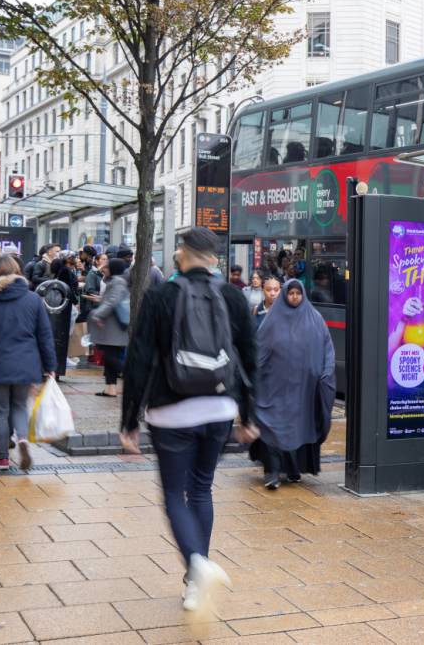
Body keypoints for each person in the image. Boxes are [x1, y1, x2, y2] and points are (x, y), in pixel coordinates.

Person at [120, 227, 258, 616]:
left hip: (170, 412)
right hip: (219, 409)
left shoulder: (161, 296)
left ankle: (197, 566)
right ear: (213, 258)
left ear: (181, 255)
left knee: (173, 495)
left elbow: (140, 359)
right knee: (201, 490)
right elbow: (250, 356)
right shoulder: (232, 296)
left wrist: (130, 418)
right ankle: (196, 582)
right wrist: (248, 415)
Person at [250, 280, 335, 490]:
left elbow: (327, 348)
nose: (294, 297)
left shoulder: (314, 319)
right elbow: (259, 350)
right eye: (291, 293)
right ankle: (272, 471)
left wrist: (326, 372)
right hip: (274, 387)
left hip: (303, 389)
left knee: (299, 427)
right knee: (273, 425)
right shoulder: (272, 320)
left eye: (298, 293)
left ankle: (294, 468)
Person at [0, 256, 56, 471]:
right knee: (19, 406)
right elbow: (45, 336)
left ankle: (3, 458)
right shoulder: (33, 299)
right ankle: (23, 439)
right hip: (26, 362)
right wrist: (50, 366)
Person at [88, 258, 129, 398]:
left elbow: (113, 301)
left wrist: (98, 315)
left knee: (110, 357)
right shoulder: (116, 281)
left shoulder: (117, 282)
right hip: (112, 326)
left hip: (113, 326)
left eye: (107, 266)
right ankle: (110, 389)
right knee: (110, 357)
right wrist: (100, 300)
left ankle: (134, 375)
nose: (103, 269)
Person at [50, 251, 79, 376]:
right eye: (73, 257)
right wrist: (75, 299)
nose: (75, 259)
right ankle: (63, 358)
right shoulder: (65, 271)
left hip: (64, 304)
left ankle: (63, 358)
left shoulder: (64, 270)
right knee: (65, 332)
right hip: (66, 305)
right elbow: (66, 288)